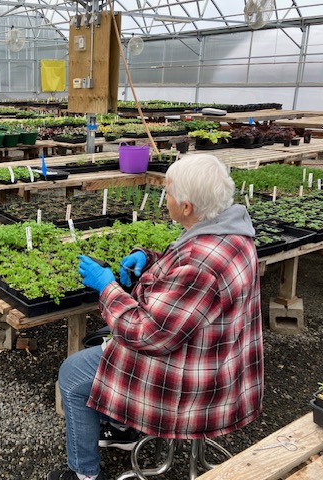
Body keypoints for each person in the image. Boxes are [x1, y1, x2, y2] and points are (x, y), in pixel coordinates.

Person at [48, 154, 264, 480]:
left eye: (170, 192)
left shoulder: (202, 261)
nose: (167, 198)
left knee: (73, 375)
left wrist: (106, 287)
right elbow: (186, 275)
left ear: (187, 206)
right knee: (104, 342)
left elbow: (149, 334)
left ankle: (84, 474)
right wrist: (148, 258)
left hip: (191, 379)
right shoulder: (231, 234)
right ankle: (124, 428)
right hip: (220, 361)